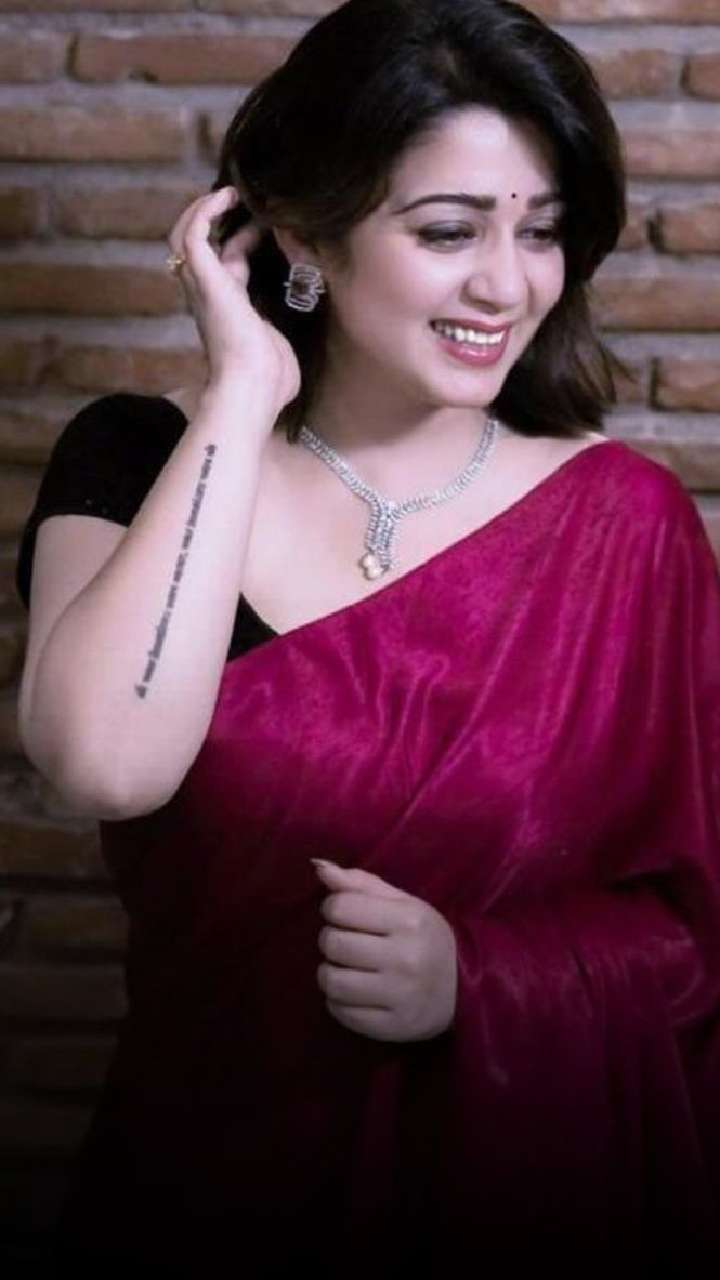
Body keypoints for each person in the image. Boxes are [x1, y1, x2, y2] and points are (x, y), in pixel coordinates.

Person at [13, 0, 720, 1273]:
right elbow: (105, 763)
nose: (507, 283)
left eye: (541, 232)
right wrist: (241, 395)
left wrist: (478, 978)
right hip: (203, 1185)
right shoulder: (137, 456)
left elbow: (693, 931)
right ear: (302, 233)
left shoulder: (626, 524)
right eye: (449, 230)